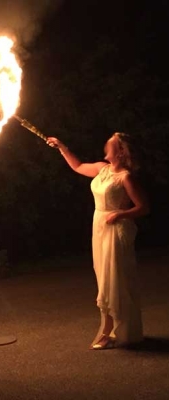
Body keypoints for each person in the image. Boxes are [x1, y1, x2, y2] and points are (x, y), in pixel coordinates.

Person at [46, 133, 150, 349]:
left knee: (114, 279)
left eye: (111, 143)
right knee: (103, 276)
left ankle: (109, 330)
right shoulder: (102, 168)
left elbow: (143, 207)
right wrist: (62, 147)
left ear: (120, 151)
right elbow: (78, 166)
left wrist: (120, 214)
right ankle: (109, 328)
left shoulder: (125, 177)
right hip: (100, 226)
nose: (106, 143)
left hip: (116, 228)